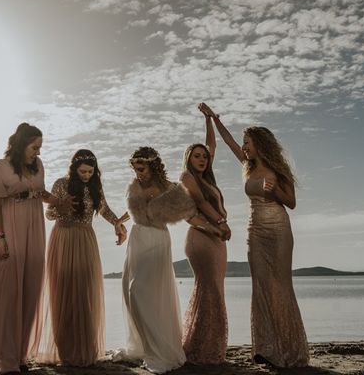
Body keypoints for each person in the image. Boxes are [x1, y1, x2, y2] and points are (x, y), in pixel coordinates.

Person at [199, 103, 309, 368]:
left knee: (280, 285)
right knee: (260, 285)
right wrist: (212, 118)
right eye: (244, 142)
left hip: (279, 229)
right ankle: (264, 349)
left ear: (259, 143)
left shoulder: (279, 169)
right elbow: (227, 142)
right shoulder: (247, 165)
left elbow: (291, 202)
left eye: (247, 142)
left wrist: (274, 191)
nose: (244, 146)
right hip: (255, 231)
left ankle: (288, 348)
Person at [0, 123, 70, 374]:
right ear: (21, 144)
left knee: (30, 288)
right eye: (34, 147)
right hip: (10, 228)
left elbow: (40, 192)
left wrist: (58, 202)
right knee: (7, 292)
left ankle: (20, 355)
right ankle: (1, 355)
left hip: (34, 228)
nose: (38, 153)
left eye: (40, 148)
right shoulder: (0, 167)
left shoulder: (38, 166)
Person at [118, 146, 222, 374]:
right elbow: (133, 208)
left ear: (153, 165)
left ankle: (160, 350)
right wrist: (119, 221)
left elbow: (190, 215)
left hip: (157, 240)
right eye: (135, 168)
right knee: (128, 291)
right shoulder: (134, 186)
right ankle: (142, 346)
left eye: (142, 168)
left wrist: (212, 228)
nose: (138, 173)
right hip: (137, 240)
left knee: (139, 291)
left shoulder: (171, 188)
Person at [38, 149, 127, 367]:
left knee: (84, 291)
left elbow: (104, 210)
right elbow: (49, 214)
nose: (87, 175)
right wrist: (61, 206)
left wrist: (117, 224)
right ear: (74, 169)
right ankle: (66, 350)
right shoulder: (61, 184)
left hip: (86, 238)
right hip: (64, 237)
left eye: (90, 171)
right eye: (83, 171)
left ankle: (85, 348)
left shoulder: (95, 187)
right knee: (64, 290)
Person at [180, 107, 231, 364]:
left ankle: (210, 347)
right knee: (209, 288)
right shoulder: (187, 177)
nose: (202, 159)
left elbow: (212, 146)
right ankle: (200, 349)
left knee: (215, 290)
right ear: (188, 159)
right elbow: (199, 202)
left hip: (218, 238)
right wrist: (220, 223)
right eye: (197, 156)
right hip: (201, 237)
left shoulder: (207, 177)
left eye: (204, 157)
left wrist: (208, 119)